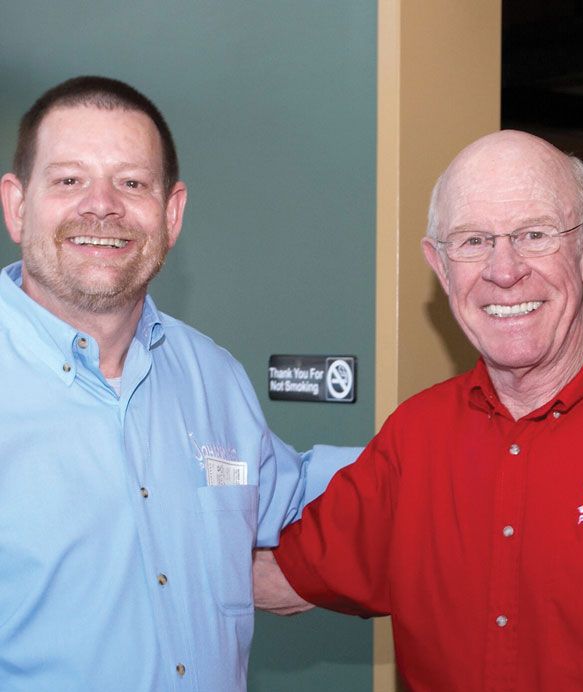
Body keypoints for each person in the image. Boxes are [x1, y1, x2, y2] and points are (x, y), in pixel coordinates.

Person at [254, 130, 583, 691]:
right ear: (440, 266)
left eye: (534, 235)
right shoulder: (415, 437)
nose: (504, 271)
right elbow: (277, 579)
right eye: (473, 241)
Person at [0, 76, 355, 691]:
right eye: (68, 180)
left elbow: (291, 496)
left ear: (171, 213)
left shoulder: (213, 376)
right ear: (16, 205)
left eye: (131, 183)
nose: (102, 205)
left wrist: (462, 451)